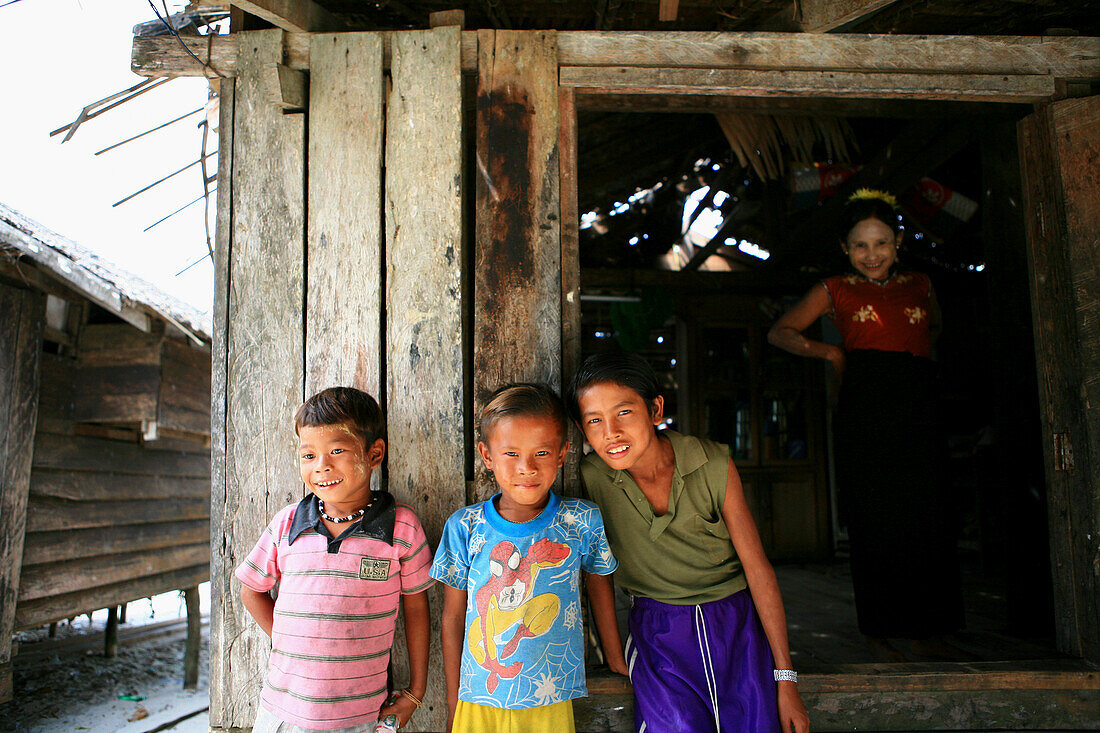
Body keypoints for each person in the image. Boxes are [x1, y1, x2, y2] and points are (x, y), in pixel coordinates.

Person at [566, 353, 810, 733]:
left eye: (624, 413)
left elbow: (758, 569)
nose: (610, 432)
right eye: (594, 421)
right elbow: (598, 571)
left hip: (736, 625)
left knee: (755, 723)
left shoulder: (712, 463)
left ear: (655, 409)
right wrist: (614, 653)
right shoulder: (592, 478)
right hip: (658, 630)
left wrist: (786, 677)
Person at [767, 189, 963, 650]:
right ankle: (885, 621)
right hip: (867, 401)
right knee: (876, 507)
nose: (871, 255)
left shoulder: (922, 284)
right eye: (860, 245)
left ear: (897, 243)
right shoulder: (834, 289)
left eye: (880, 244)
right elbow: (781, 332)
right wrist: (833, 352)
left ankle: (936, 620)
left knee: (928, 504)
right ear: (844, 248)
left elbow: (933, 328)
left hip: (918, 399)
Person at [236, 387, 434, 732]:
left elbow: (417, 608)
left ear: (375, 453)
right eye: (308, 455)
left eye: (337, 450)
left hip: (360, 716)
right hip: (282, 712)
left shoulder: (400, 527)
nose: (322, 466)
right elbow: (251, 590)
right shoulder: (287, 525)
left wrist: (416, 692)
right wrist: (290, 642)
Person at [430, 384, 621, 733]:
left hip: (549, 693)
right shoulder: (465, 527)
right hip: (478, 698)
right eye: (511, 454)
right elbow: (454, 616)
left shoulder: (580, 521)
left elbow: (600, 590)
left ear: (563, 454)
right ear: (487, 456)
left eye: (542, 453)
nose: (527, 468)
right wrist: (452, 699)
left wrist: (616, 663)